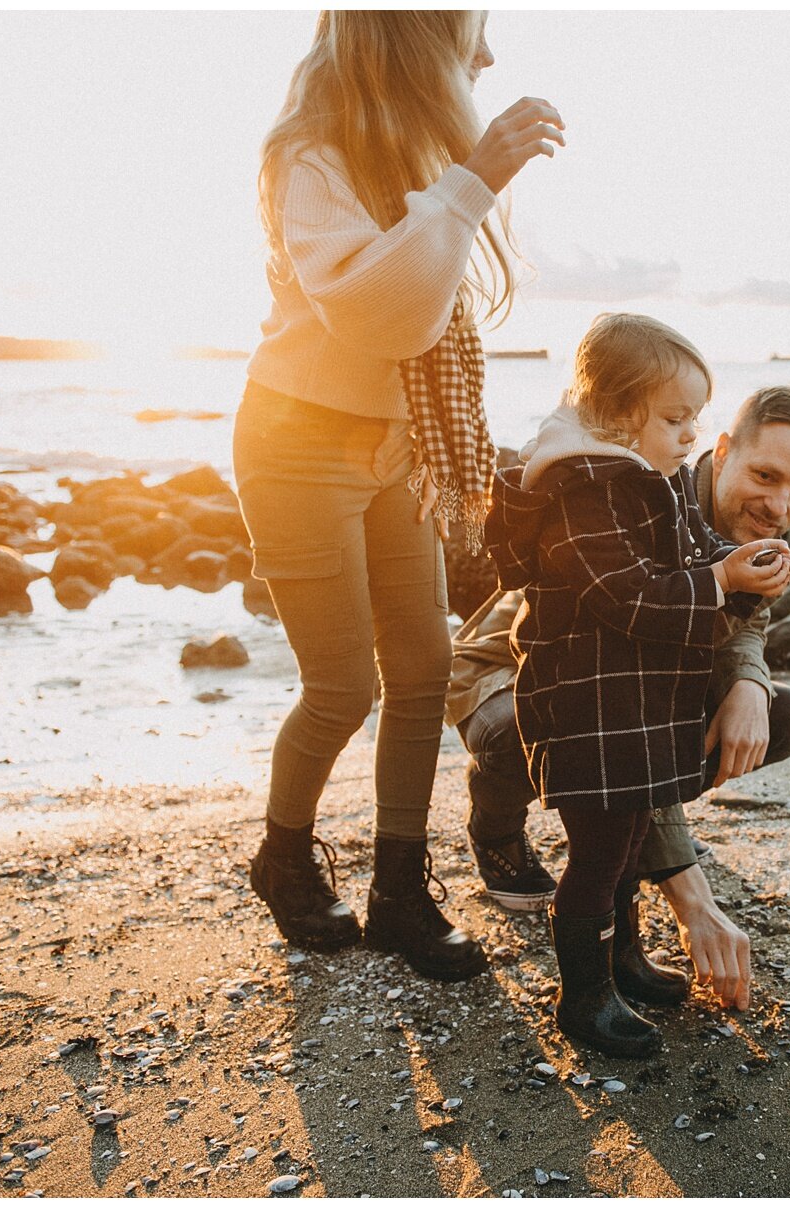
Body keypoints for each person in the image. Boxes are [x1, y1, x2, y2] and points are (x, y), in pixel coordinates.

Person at [235, 11, 564, 979]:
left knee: (423, 674)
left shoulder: (412, 144)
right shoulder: (310, 154)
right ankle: (283, 855)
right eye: (474, 31)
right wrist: (471, 182)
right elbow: (384, 314)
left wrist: (462, 180)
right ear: (412, 36)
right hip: (296, 443)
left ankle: (398, 891)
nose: (491, 58)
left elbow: (424, 317)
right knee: (343, 687)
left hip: (396, 446)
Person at [448, 384, 790, 1011]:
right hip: (513, 678)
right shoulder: (645, 491)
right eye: (765, 475)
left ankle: (622, 855)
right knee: (533, 752)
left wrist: (745, 683)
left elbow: (745, 627)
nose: (778, 505)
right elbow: (621, 704)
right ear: (723, 448)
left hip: (614, 699)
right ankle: (494, 820)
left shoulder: (755, 536)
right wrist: (694, 897)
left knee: (780, 714)